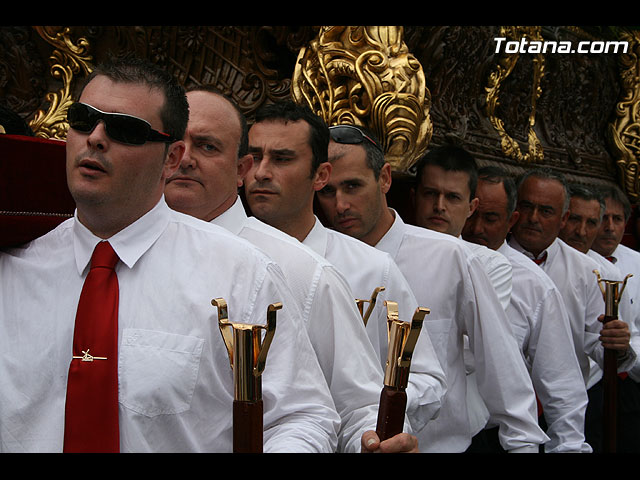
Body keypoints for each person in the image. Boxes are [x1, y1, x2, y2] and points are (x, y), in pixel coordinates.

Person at [0, 57, 341, 453]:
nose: (95, 138)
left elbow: (302, 416)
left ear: (172, 158)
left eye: (125, 129)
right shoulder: (14, 267)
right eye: (82, 119)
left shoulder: (240, 273)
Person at [164, 87, 417, 453]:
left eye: (207, 146)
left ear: (240, 169)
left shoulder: (305, 274)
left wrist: (375, 440)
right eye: (176, 144)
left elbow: (358, 406)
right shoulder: (113, 253)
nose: (185, 158)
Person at [316, 124, 548, 453]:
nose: (340, 205)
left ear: (385, 178)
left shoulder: (450, 257)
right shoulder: (315, 264)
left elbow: (500, 363)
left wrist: (523, 445)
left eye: (353, 186)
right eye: (327, 191)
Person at [243, 101, 447, 441]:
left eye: (281, 158)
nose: (261, 172)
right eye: (254, 157)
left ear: (319, 175)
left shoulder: (372, 269)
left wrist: (372, 410)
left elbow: (426, 378)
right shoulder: (220, 259)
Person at [461, 166, 591, 453]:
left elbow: (561, 384)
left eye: (490, 218)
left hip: (493, 439)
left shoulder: (535, 286)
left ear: (511, 220)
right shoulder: (430, 260)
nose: (477, 228)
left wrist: (568, 446)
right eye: (472, 215)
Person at [589, 184, 640, 452]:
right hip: (591, 382)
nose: (609, 227)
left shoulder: (637, 264)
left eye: (617, 219)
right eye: (603, 218)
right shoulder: (578, 263)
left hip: (632, 380)